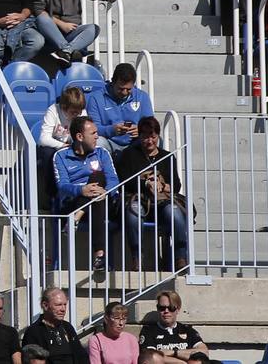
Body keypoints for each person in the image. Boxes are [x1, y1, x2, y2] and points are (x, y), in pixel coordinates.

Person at [116, 115, 190, 270]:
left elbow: (176, 184)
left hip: (162, 201)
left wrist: (166, 186)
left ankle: (180, 256)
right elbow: (123, 181)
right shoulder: (129, 154)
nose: (149, 141)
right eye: (145, 137)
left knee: (174, 213)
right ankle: (138, 256)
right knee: (133, 212)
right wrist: (145, 183)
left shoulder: (167, 157)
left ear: (158, 136)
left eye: (153, 137)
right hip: (138, 199)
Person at [53, 115, 120, 276]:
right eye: (93, 133)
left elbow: (113, 179)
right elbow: (62, 185)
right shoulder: (61, 156)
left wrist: (106, 191)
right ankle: (100, 255)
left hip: (102, 199)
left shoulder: (102, 153)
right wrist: (82, 190)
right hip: (73, 201)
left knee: (97, 177)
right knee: (96, 189)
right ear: (79, 136)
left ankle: (78, 215)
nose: (98, 136)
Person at [87, 61, 155, 152]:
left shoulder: (142, 97)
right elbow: (93, 129)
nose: (124, 92)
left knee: (155, 140)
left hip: (135, 143)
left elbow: (151, 125)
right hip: (109, 142)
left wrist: (141, 130)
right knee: (97, 142)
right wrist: (112, 130)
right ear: (113, 82)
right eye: (121, 88)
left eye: (128, 89)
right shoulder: (95, 98)